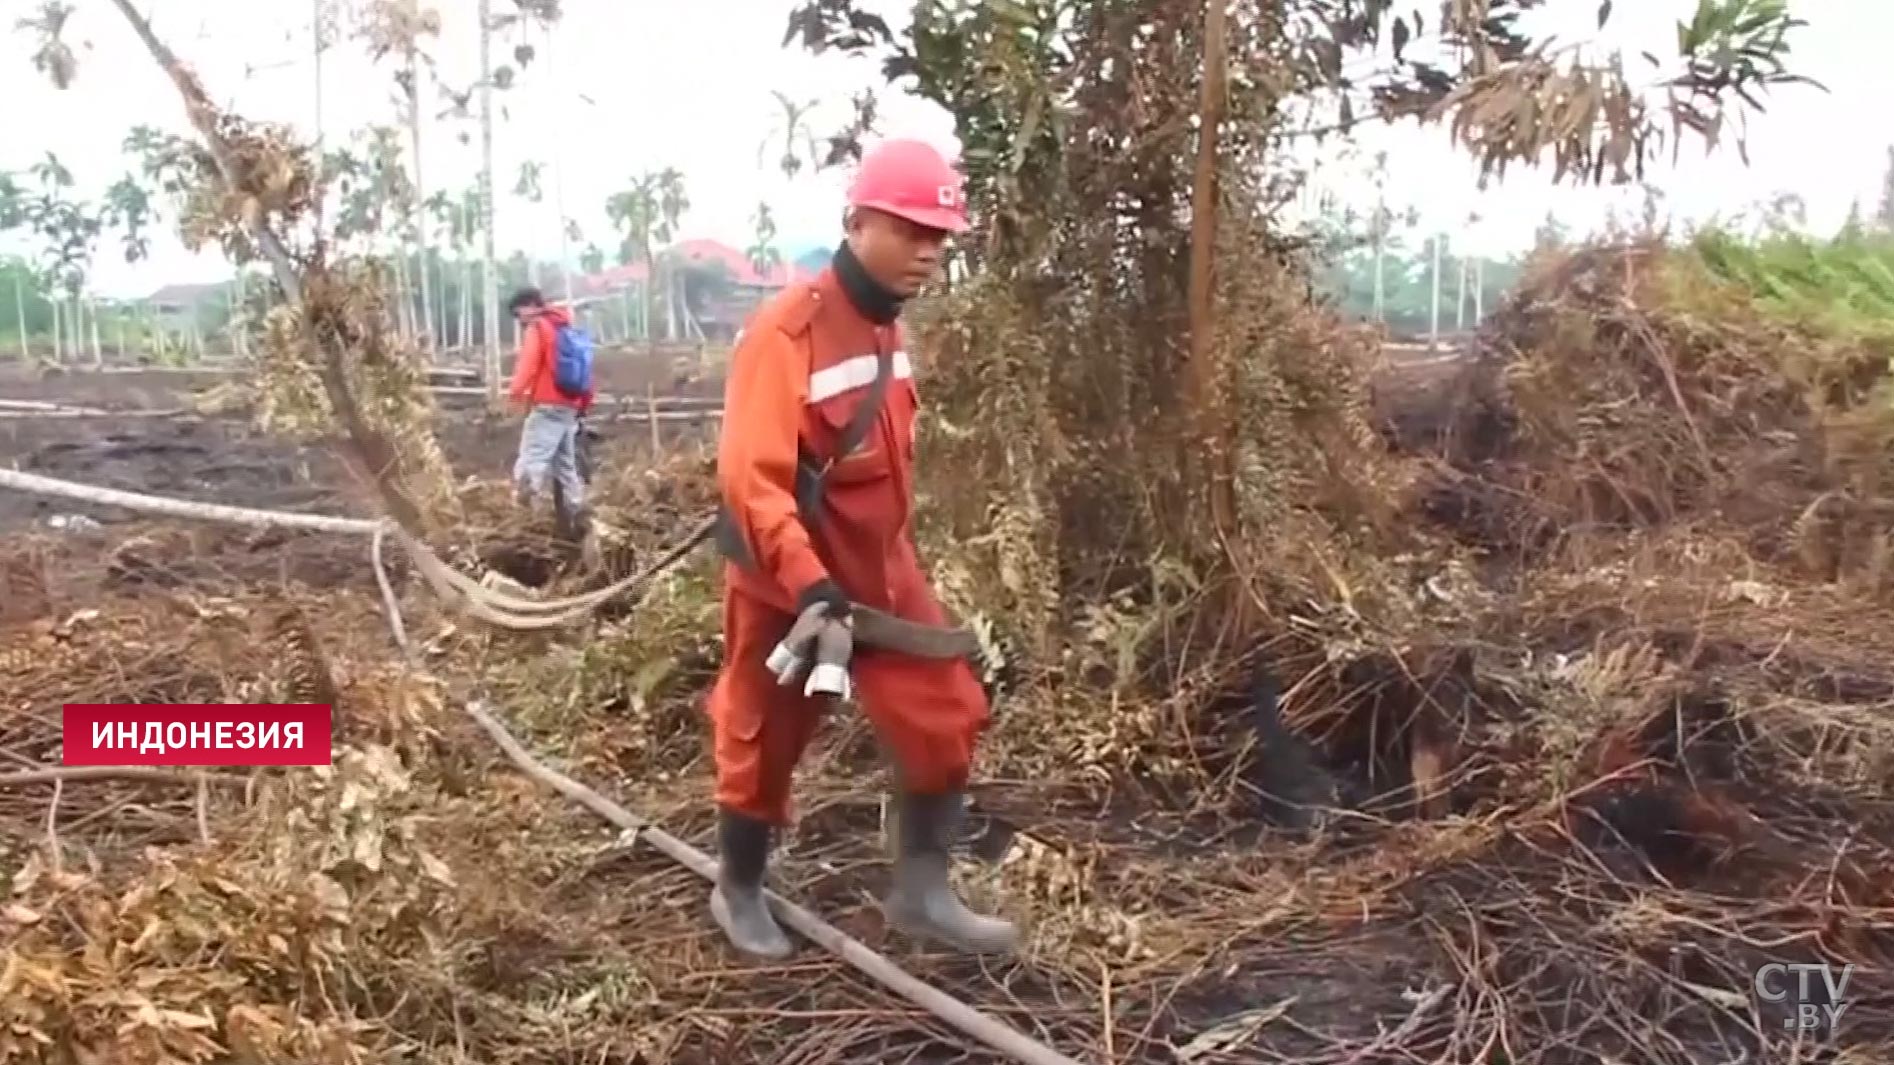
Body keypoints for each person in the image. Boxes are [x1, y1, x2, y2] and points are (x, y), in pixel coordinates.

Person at [706, 138, 1018, 960]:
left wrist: (878, 578)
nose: (930, 251)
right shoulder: (787, 334)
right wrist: (809, 586)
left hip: (883, 578)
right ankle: (737, 886)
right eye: (912, 230)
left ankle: (922, 891)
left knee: (945, 710)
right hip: (788, 586)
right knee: (761, 737)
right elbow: (755, 482)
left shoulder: (887, 330)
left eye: (941, 238)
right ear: (856, 221)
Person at [505, 286, 592, 532]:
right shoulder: (565, 327)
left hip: (547, 405)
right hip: (569, 406)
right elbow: (587, 372)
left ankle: (521, 519)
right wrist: (582, 405)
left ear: (530, 306)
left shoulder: (538, 327)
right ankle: (577, 514)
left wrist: (515, 393)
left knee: (531, 457)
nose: (519, 319)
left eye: (518, 313)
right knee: (565, 465)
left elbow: (528, 364)